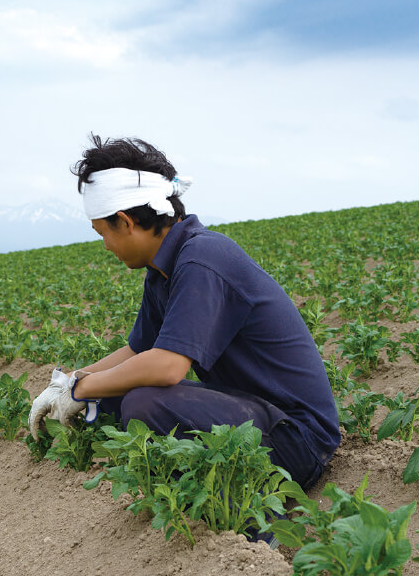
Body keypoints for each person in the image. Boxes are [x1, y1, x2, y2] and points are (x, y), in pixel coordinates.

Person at [28, 135, 339, 494]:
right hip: (253, 415)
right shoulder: (164, 267)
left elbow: (166, 366)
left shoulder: (203, 257)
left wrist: (79, 389)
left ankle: (240, 523)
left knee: (144, 402)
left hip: (298, 439)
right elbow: (138, 352)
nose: (106, 246)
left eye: (103, 233)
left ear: (126, 222)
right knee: (113, 392)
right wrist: (67, 382)